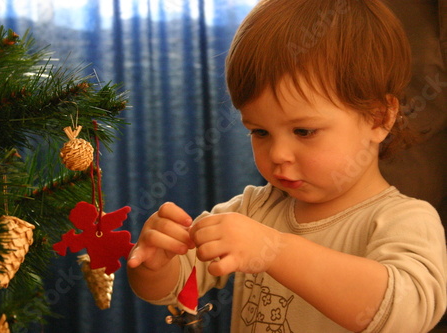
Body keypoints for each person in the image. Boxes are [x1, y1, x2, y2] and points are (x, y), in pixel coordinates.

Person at [127, 0, 447, 332]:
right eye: (260, 131)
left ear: (379, 118)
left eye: (304, 131)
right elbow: (172, 287)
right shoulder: (253, 210)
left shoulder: (404, 220)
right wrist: (153, 265)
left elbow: (406, 315)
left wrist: (274, 251)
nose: (278, 153)